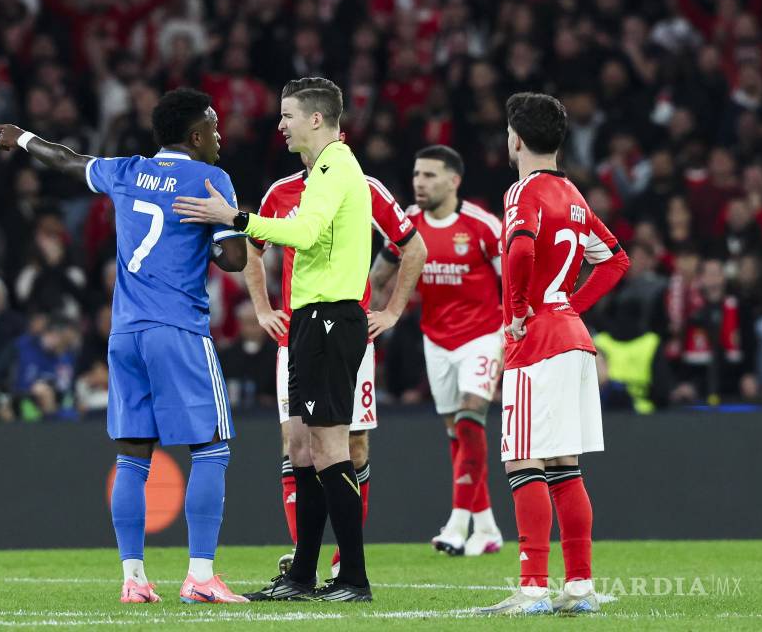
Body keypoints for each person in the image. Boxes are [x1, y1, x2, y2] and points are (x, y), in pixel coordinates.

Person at [0, 86, 249, 605]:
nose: (219, 136)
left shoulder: (127, 170)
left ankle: (134, 579)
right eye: (214, 127)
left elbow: (68, 160)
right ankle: (200, 577)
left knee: (132, 457)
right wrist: (225, 222)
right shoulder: (210, 179)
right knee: (212, 447)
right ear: (196, 136)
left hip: (125, 334)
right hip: (178, 329)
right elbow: (234, 260)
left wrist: (24, 138)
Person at [174, 77, 379, 602]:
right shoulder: (324, 169)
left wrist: (235, 218)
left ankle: (353, 578)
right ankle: (303, 575)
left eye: (288, 115)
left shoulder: (335, 166)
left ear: (316, 118)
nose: (281, 124)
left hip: (331, 317)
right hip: (311, 318)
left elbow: (305, 234)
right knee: (306, 449)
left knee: (331, 448)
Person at [475, 93, 629, 616]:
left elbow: (520, 246)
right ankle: (579, 587)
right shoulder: (573, 194)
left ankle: (533, 588)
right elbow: (615, 260)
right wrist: (568, 307)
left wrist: (521, 311)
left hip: (537, 342)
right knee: (564, 466)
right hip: (572, 339)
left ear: (516, 138)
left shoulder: (523, 191)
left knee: (523, 459)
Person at [244, 143, 425, 578]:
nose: (282, 128)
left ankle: (347, 559)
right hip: (296, 336)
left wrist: (392, 312)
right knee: (297, 444)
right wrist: (263, 309)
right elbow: (252, 249)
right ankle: (302, 556)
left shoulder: (365, 187)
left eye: (289, 117)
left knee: (352, 446)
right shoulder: (281, 192)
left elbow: (413, 248)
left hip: (346, 335)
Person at [371, 145, 504, 558]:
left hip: (484, 335)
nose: (419, 183)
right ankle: (487, 528)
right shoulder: (407, 224)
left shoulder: (483, 226)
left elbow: (514, 283)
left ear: (454, 181)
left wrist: (515, 334)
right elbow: (378, 276)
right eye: (416, 175)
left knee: (470, 417)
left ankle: (457, 525)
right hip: (437, 340)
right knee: (456, 433)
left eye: (429, 175)